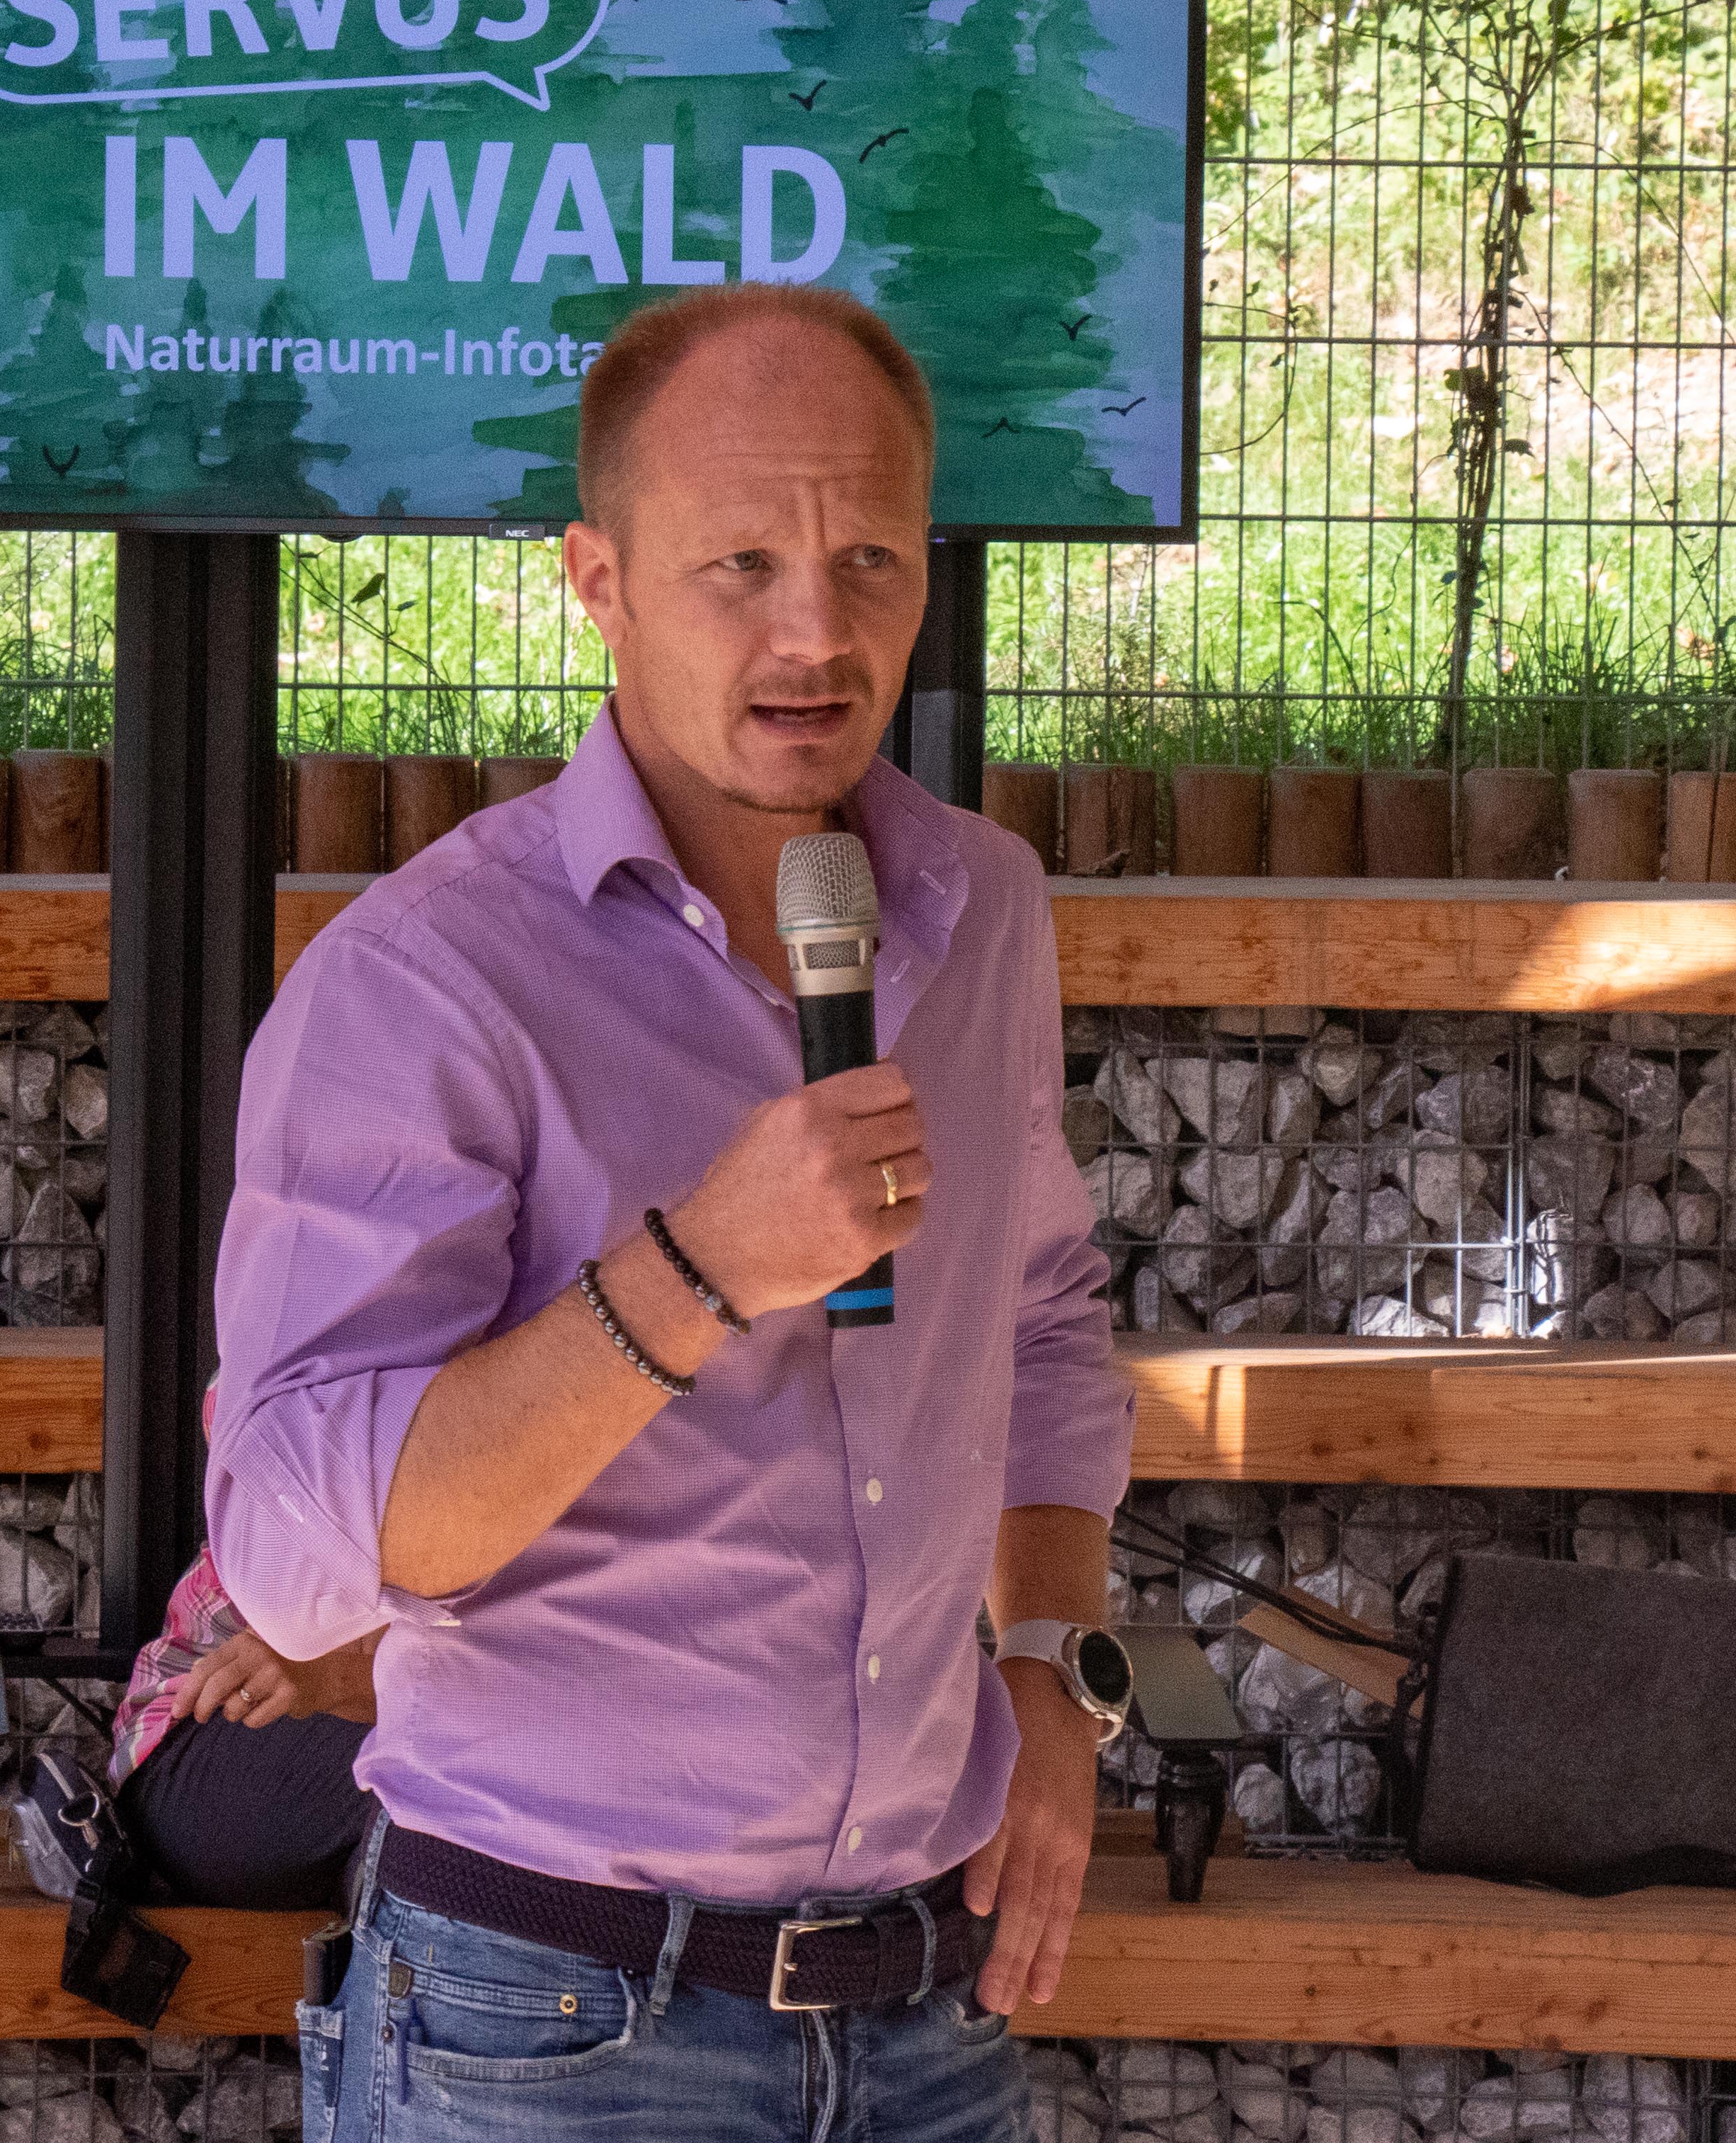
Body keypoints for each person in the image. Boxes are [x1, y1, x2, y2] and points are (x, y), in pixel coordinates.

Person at [208, 283, 1131, 2139]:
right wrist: (697, 1270)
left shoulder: (986, 909)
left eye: (870, 558)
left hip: (926, 2013)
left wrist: (1052, 1665)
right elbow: (293, 1552)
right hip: (547, 2026)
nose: (817, 631)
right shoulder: (426, 980)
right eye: (740, 565)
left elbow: (1037, 1319)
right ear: (599, 579)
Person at [106, 1523, 381, 1909]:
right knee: (430, 1772)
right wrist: (335, 1679)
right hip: (191, 1741)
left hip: (313, 1754)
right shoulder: (325, 1518)